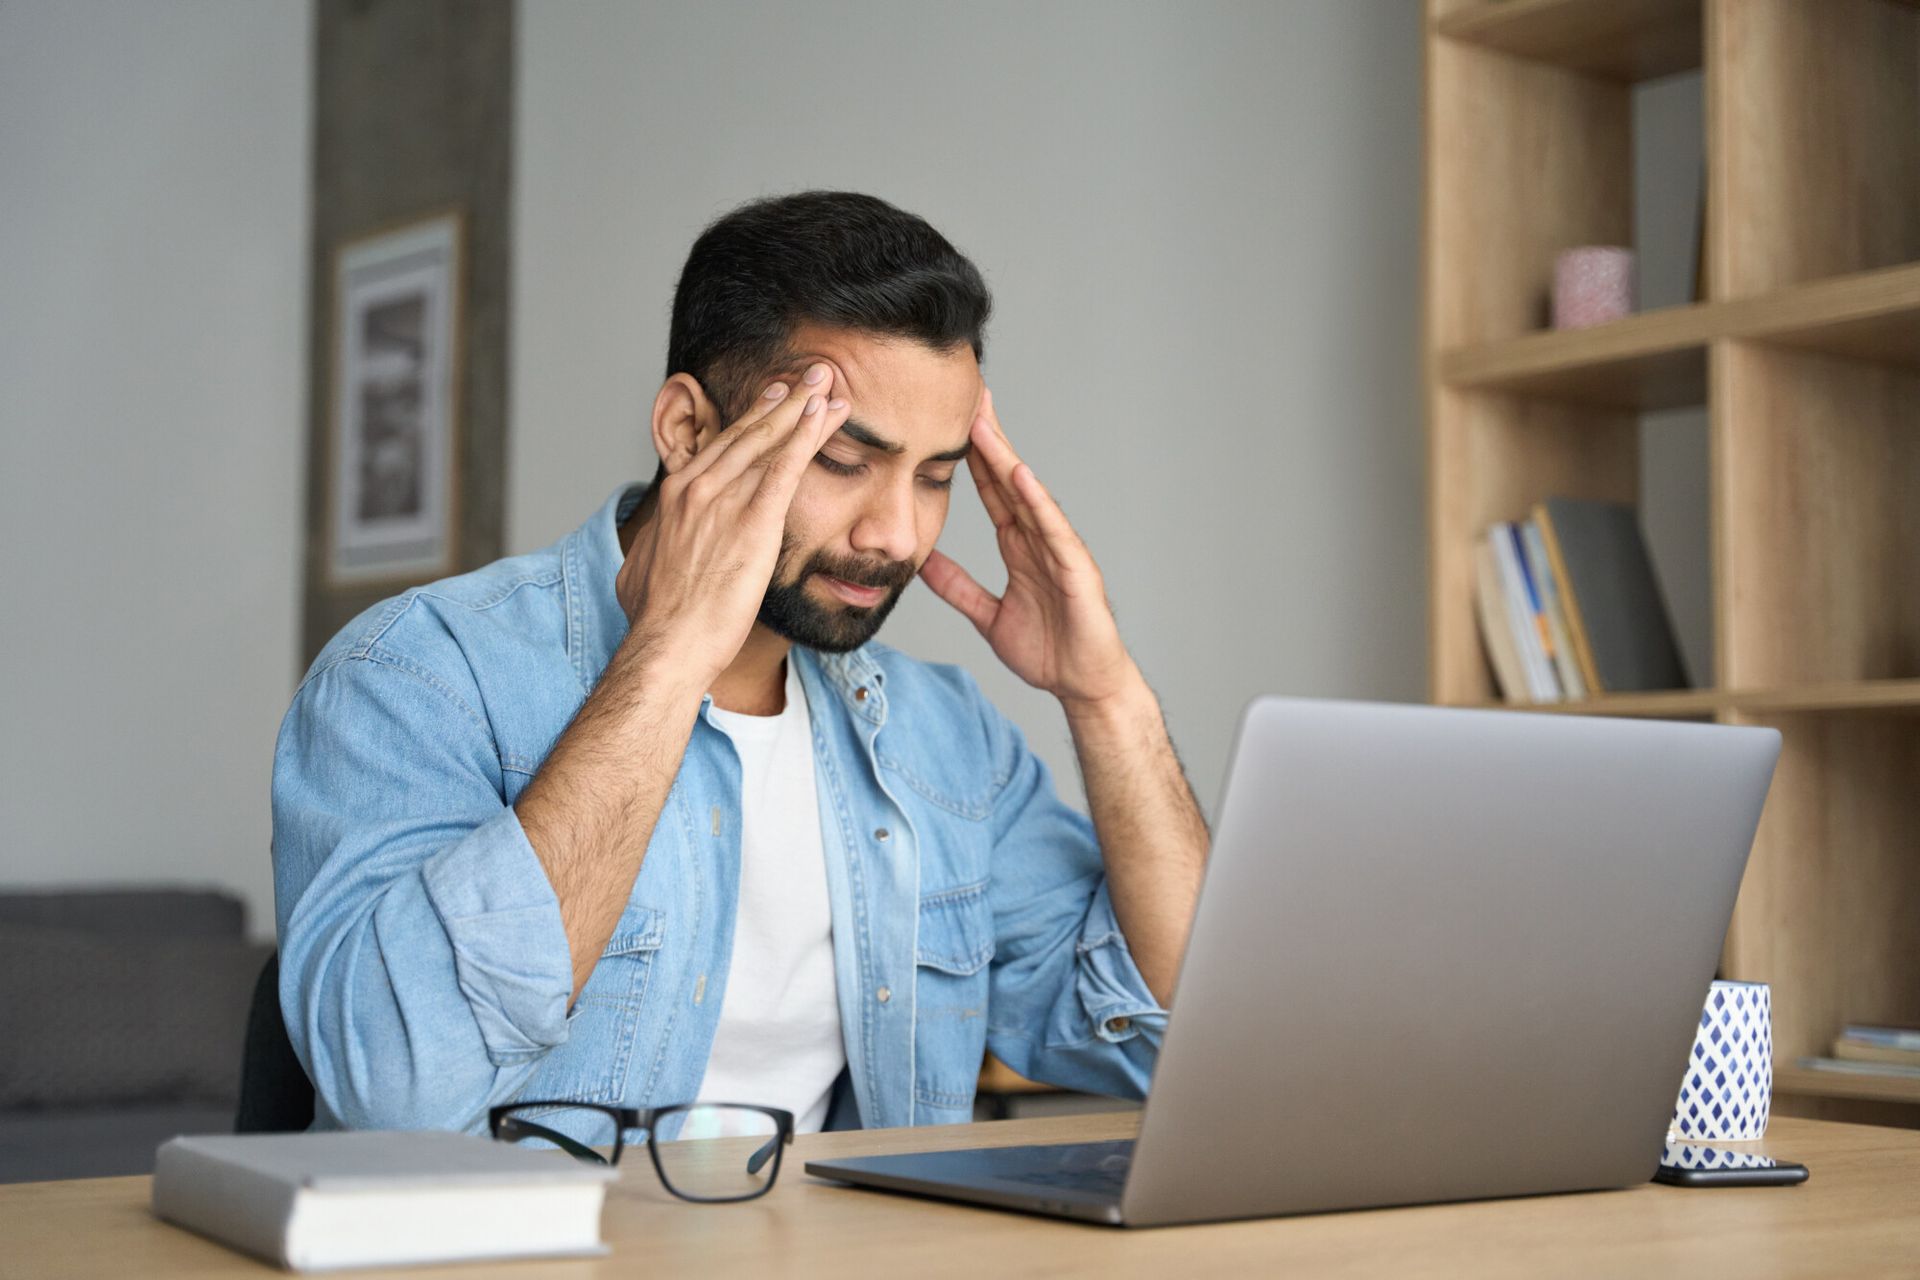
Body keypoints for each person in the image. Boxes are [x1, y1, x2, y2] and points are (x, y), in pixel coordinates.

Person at [272, 191, 1209, 1139]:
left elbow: (1177, 1048)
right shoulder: (420, 675)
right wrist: (672, 657)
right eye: (842, 460)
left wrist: (1106, 698)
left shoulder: (945, 740)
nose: (896, 534)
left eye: (935, 477)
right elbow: (394, 1089)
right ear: (687, 431)